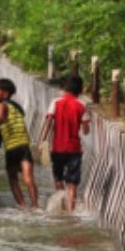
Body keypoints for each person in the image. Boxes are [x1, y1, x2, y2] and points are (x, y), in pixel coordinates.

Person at [0, 78, 38, 209]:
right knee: (28, 178)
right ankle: (35, 206)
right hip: (23, 145)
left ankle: (23, 205)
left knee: (13, 179)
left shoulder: (1, 105)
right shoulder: (15, 107)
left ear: (4, 93)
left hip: (11, 148)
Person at [40, 74, 91, 212]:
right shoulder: (82, 105)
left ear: (66, 87)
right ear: (79, 89)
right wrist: (84, 123)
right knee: (72, 184)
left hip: (57, 148)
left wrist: (42, 141)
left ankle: (61, 206)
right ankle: (70, 212)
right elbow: (86, 131)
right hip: (74, 149)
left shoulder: (55, 102)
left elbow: (48, 123)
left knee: (58, 180)